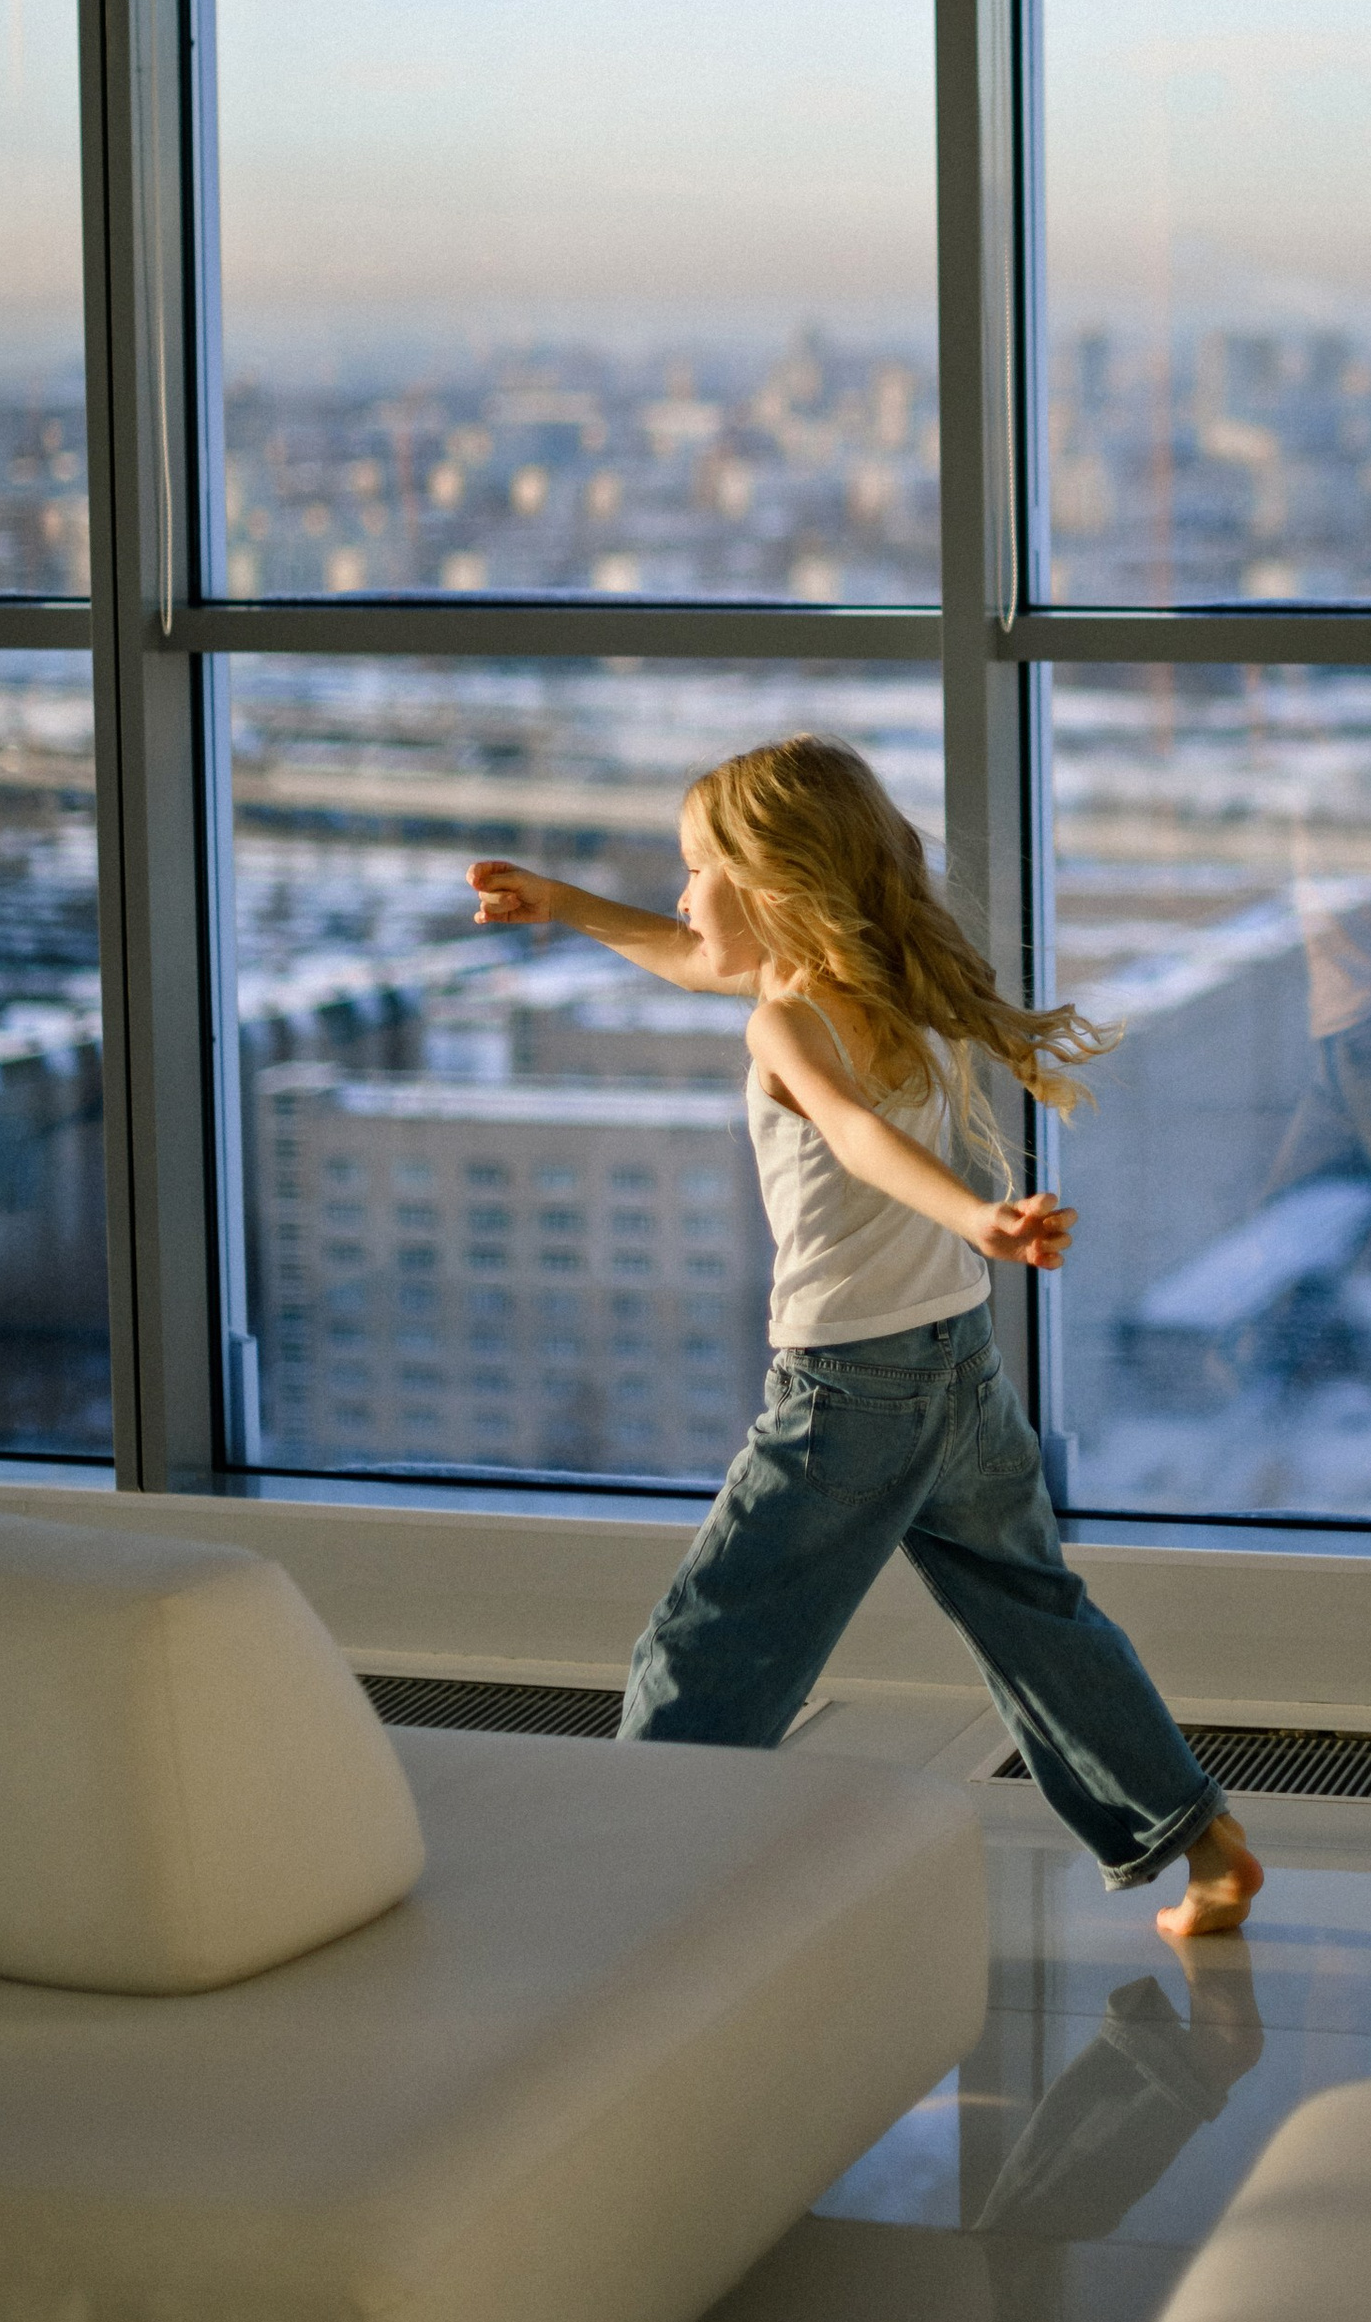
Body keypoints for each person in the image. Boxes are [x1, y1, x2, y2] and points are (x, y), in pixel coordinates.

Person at [465, 733, 1261, 1941]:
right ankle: (1203, 1840)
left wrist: (975, 1216)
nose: (681, 900)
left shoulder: (788, 1022)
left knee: (717, 1635)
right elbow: (689, 958)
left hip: (850, 1389)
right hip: (956, 1363)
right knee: (1036, 1619)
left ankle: (618, 1879)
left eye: (695, 871)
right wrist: (564, 905)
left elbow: (853, 1139)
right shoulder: (886, 984)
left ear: (773, 882)